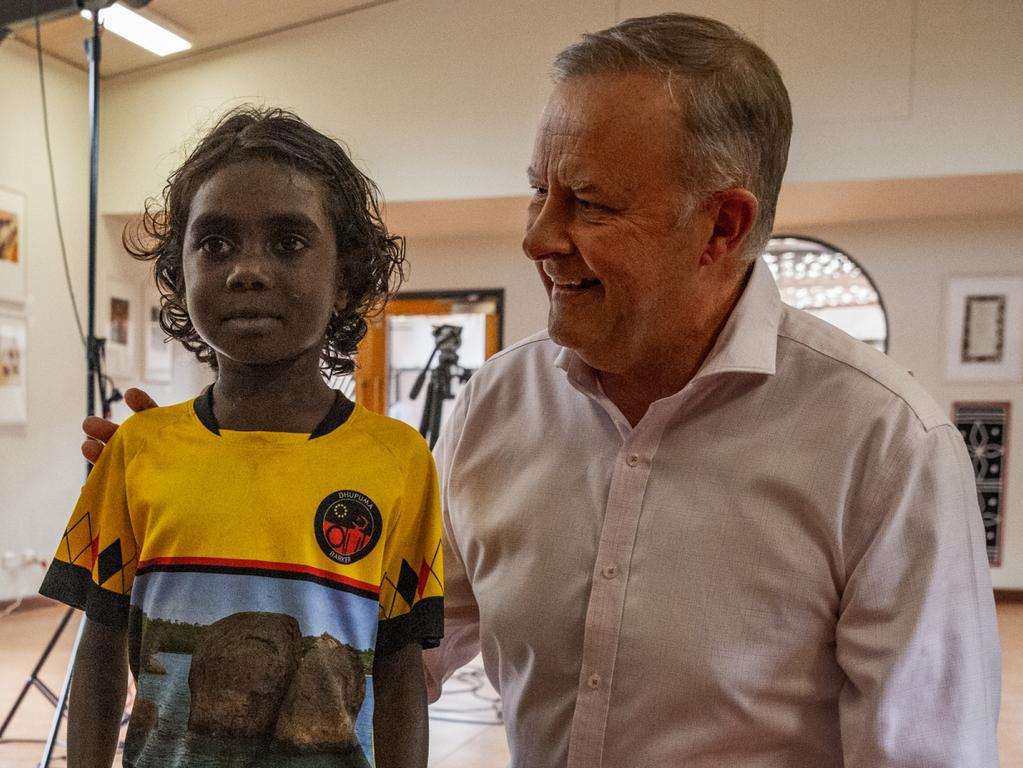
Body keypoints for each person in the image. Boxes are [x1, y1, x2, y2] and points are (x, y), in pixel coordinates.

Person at [82, 13, 1001, 768]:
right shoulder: (499, 405)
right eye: (537, 191)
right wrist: (228, 495)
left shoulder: (884, 447)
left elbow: (923, 752)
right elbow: (405, 641)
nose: (537, 237)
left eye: (588, 204)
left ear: (721, 226)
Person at [44, 106, 443, 768]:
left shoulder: (399, 461)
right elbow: (98, 650)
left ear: (344, 275)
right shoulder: (136, 450)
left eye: (288, 242)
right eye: (216, 244)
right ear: (178, 272)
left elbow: (402, 672)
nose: (246, 271)